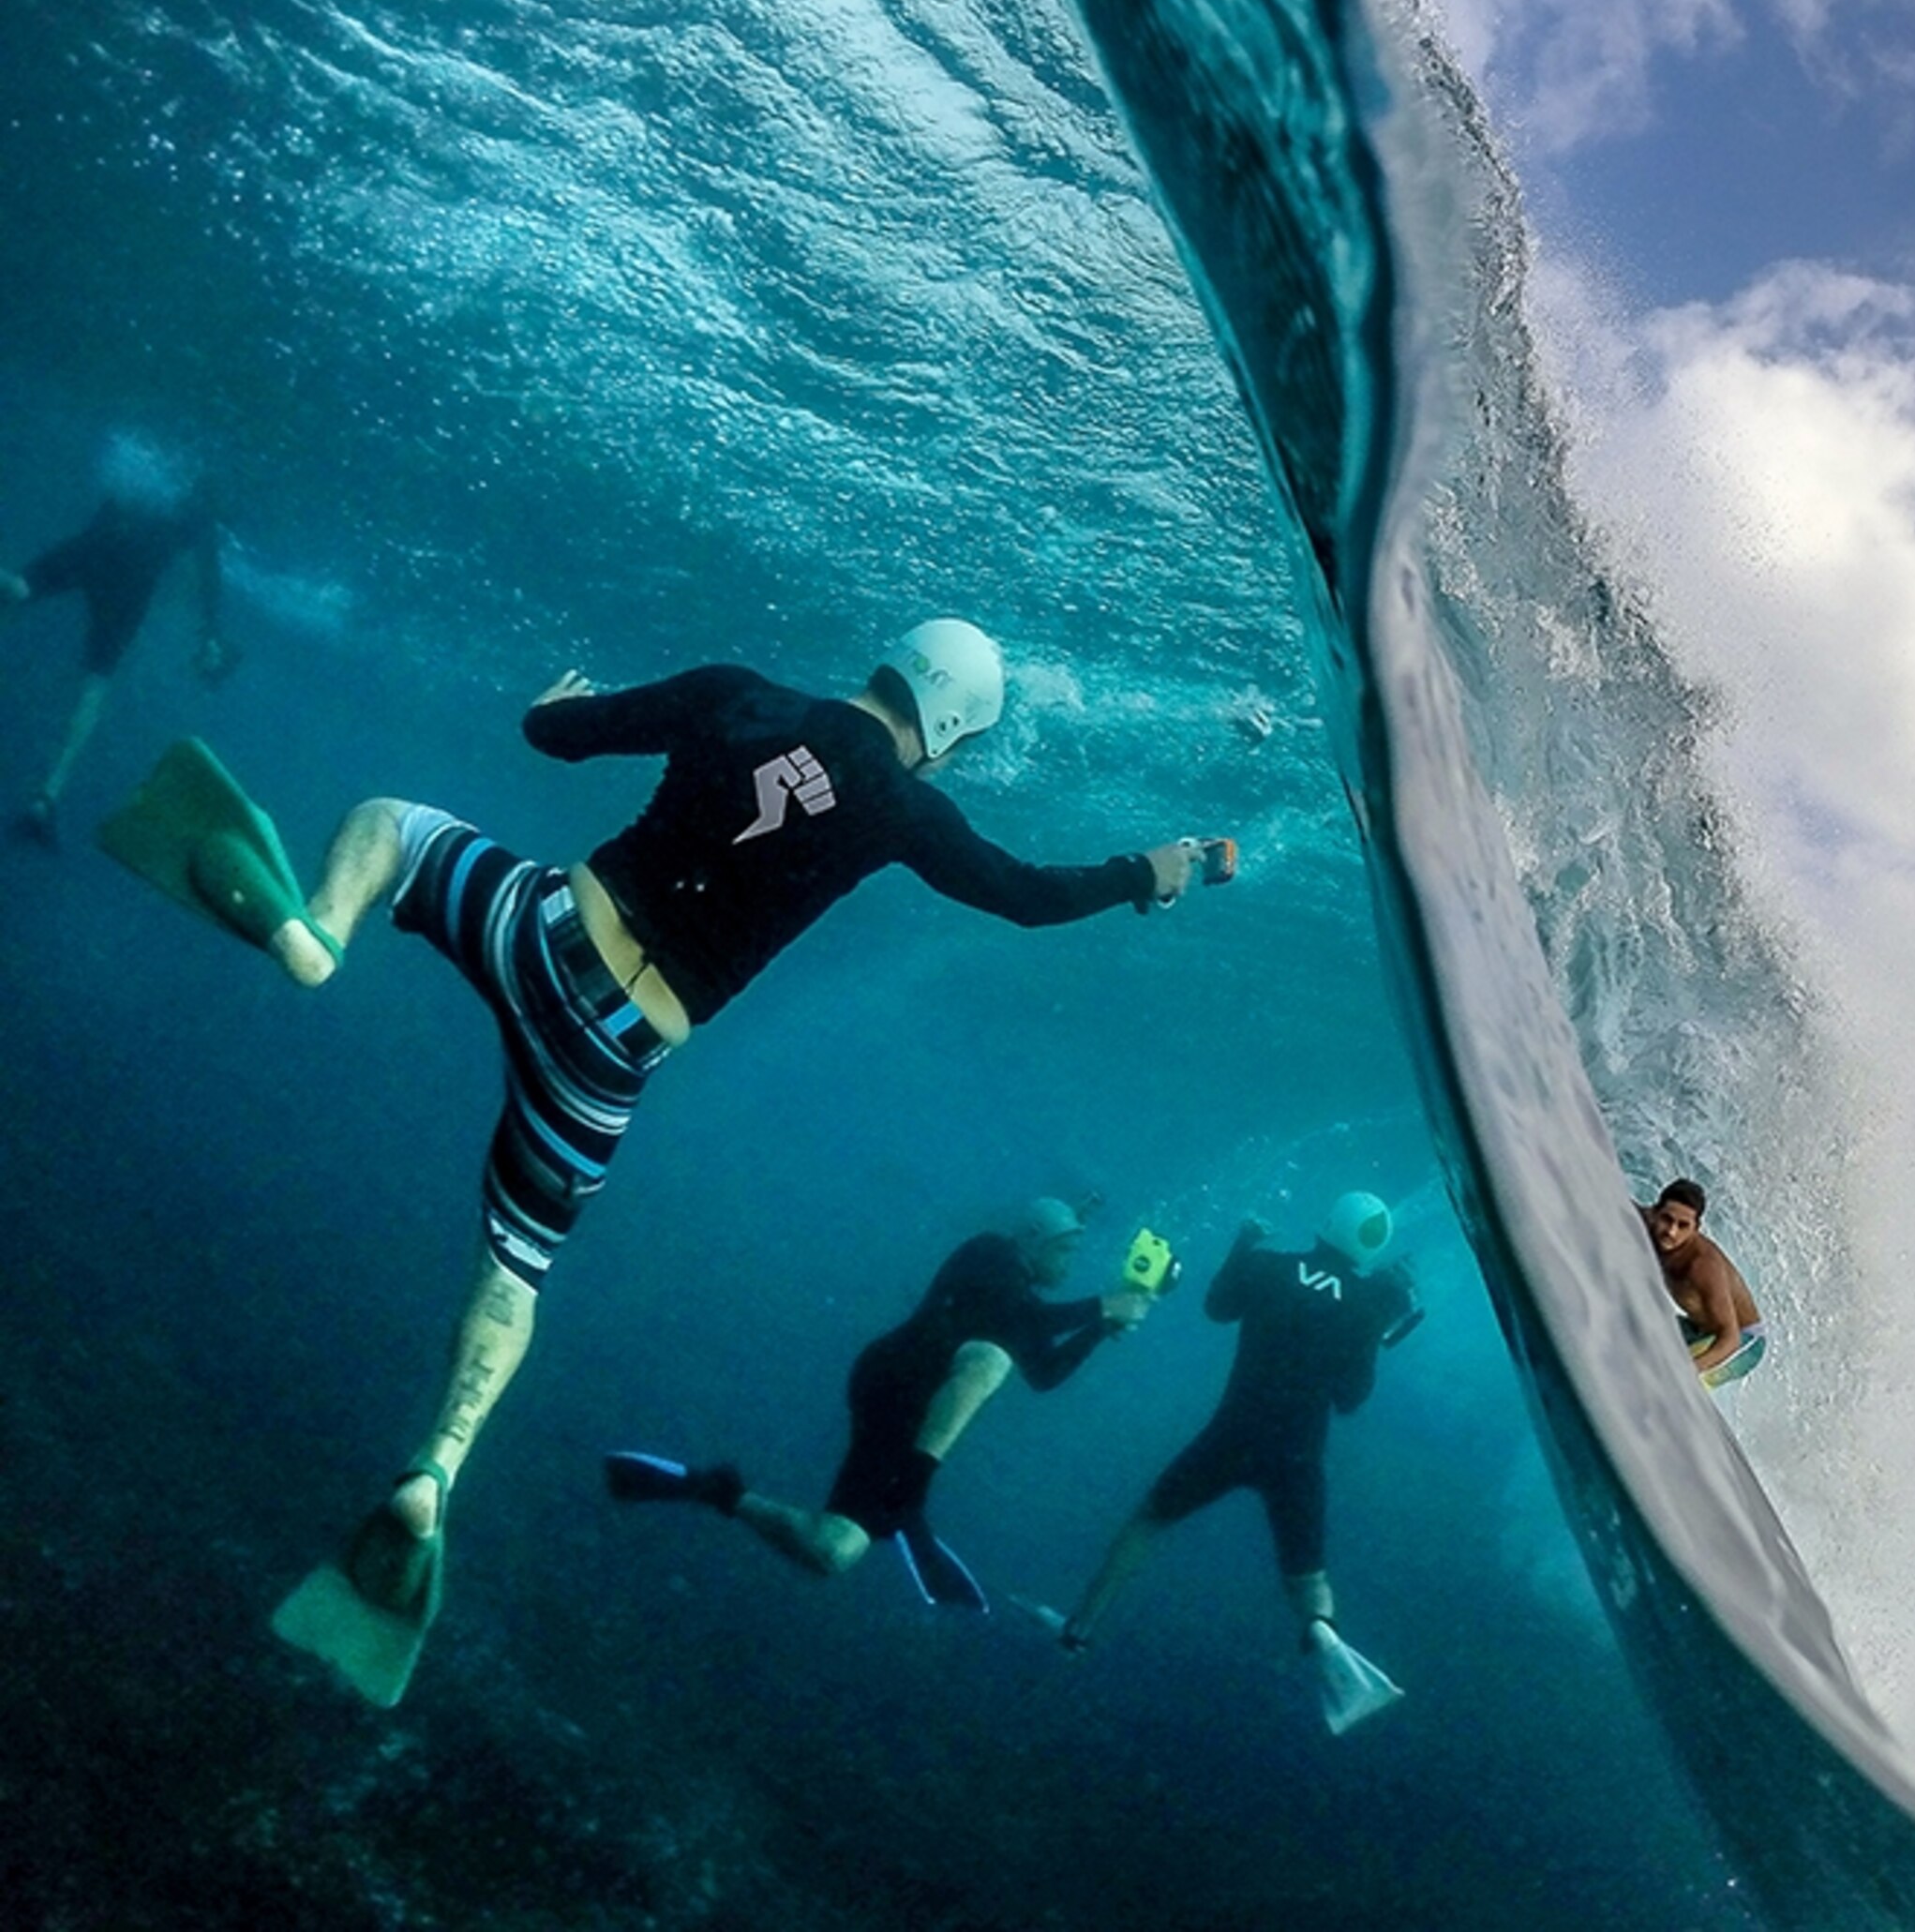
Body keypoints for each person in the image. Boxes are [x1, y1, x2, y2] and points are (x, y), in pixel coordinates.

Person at [104, 617, 1230, 1703]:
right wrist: (1153, 866)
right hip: (617, 1050)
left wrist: (558, 704)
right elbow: (1029, 897)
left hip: (541, 927)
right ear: (949, 728)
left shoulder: (736, 688)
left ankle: (317, 937)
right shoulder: (907, 810)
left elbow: (554, 734)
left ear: (890, 665)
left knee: (392, 823)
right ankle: (435, 1468)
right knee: (517, 1266)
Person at [603, 1198, 1155, 1607]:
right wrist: (1099, 1305)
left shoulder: (1025, 1305)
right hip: (889, 1382)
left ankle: (712, 1489)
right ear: (1033, 1237)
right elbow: (1019, 1321)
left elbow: (1047, 1374)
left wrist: (1100, 1328)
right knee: (992, 1361)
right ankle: (911, 1497)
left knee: (833, 1551)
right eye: (1068, 1247)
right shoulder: (990, 1253)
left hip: (915, 1417)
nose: (1073, 1259)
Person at [1051, 1190, 1418, 1733]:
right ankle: (1326, 1640)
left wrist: (1243, 1242)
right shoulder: (1368, 1305)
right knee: (1308, 1579)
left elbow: (1217, 1306)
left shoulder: (1271, 1268)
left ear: (1325, 1223)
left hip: (1233, 1434)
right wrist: (1378, 1316)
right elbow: (1350, 1400)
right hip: (1298, 1454)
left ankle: (1079, 1629)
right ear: (1373, 1244)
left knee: (1150, 1519)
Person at [1, 431, 232, 846]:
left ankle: (47, 797)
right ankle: (48, 795)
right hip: (128, 592)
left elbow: (111, 506)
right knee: (95, 686)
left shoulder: (154, 472)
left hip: (95, 551)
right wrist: (210, 636)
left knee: (18, 590)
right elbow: (209, 580)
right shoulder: (201, 514)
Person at [1639, 1177, 1764, 1388]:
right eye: (1667, 1219)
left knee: (1675, 1379)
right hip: (1698, 1329)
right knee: (1635, 1332)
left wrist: (1689, 1369)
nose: (1671, 1231)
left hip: (1742, 1341)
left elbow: (1729, 1338)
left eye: (1683, 1225)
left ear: (1696, 1228)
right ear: (1654, 1212)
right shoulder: (1647, 1222)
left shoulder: (1702, 1267)